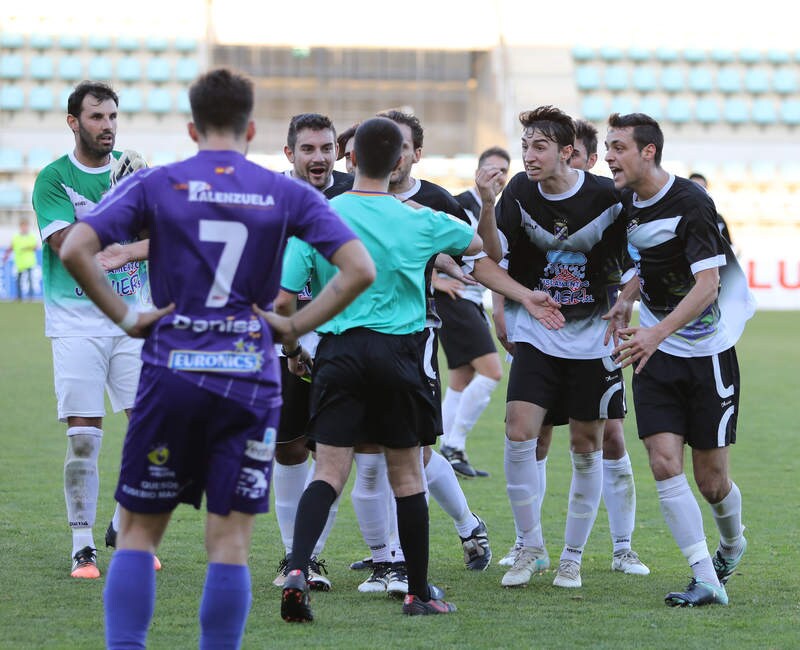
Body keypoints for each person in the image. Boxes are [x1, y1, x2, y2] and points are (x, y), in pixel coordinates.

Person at [59, 67, 374, 648]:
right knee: (228, 544)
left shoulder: (160, 183)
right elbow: (359, 269)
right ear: (252, 128)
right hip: (249, 380)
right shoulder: (285, 192)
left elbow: (78, 246)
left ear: (191, 128)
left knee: (137, 536)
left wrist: (128, 318)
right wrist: (292, 326)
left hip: (171, 373)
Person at [472, 105, 631, 589]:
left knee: (587, 446)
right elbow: (490, 257)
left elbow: (639, 256)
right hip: (538, 333)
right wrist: (485, 200)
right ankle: (531, 548)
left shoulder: (608, 196)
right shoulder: (519, 191)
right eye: (524, 147)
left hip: (593, 339)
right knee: (519, 431)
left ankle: (573, 556)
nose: (528, 156)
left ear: (568, 153)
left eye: (538, 147)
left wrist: (626, 300)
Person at [604, 112, 754, 607]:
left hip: (707, 354)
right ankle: (705, 577)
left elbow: (708, 284)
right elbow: (644, 264)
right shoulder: (626, 202)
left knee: (712, 482)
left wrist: (654, 332)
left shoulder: (691, 202)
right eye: (607, 147)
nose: (609, 156)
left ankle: (732, 543)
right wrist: (627, 298)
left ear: (648, 151)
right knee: (664, 462)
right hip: (658, 353)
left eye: (619, 147)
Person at [347, 110, 496, 592]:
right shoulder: (349, 199)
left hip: (416, 336)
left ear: (414, 154)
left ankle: (463, 525)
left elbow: (473, 253)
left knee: (410, 448)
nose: (395, 156)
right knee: (370, 450)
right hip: (358, 338)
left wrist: (509, 297)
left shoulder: (435, 201)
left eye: (404, 147)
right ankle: (387, 553)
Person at [32, 80, 152, 579]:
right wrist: (119, 205)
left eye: (112, 117)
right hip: (76, 323)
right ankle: (83, 545)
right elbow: (66, 245)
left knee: (150, 431)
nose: (108, 126)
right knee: (85, 438)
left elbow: (162, 239)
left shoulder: (135, 171)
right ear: (74, 121)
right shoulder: (53, 179)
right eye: (97, 117)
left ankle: (125, 526)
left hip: (132, 321)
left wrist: (135, 231)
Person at [271, 113, 355, 591]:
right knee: (287, 448)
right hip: (285, 334)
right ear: (290, 154)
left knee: (331, 449)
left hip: (342, 340)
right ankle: (291, 554)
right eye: (308, 149)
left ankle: (314, 558)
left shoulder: (352, 196)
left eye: (326, 148)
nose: (319, 157)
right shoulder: (270, 202)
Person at [436, 146, 510, 478]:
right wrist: (437, 280)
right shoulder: (456, 203)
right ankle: (453, 445)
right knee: (492, 371)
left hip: (471, 299)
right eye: (492, 169)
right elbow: (424, 242)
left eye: (503, 170)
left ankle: (444, 453)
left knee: (462, 378)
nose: (498, 176)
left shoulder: (501, 209)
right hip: (457, 298)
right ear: (478, 173)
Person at [689, 172, 734, 245]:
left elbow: (729, 245)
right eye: (695, 188)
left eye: (702, 188)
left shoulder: (718, 219)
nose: (699, 193)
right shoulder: (679, 218)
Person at [2, 217, 39, 300]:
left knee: (30, 280)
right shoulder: (16, 237)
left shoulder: (31, 237)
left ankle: (31, 297)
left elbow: (35, 247)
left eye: (25, 226)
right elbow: (11, 247)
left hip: (29, 262)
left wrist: (27, 248)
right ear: (20, 227)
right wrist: (6, 255)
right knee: (18, 281)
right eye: (23, 226)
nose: (24, 228)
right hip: (20, 263)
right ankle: (19, 297)